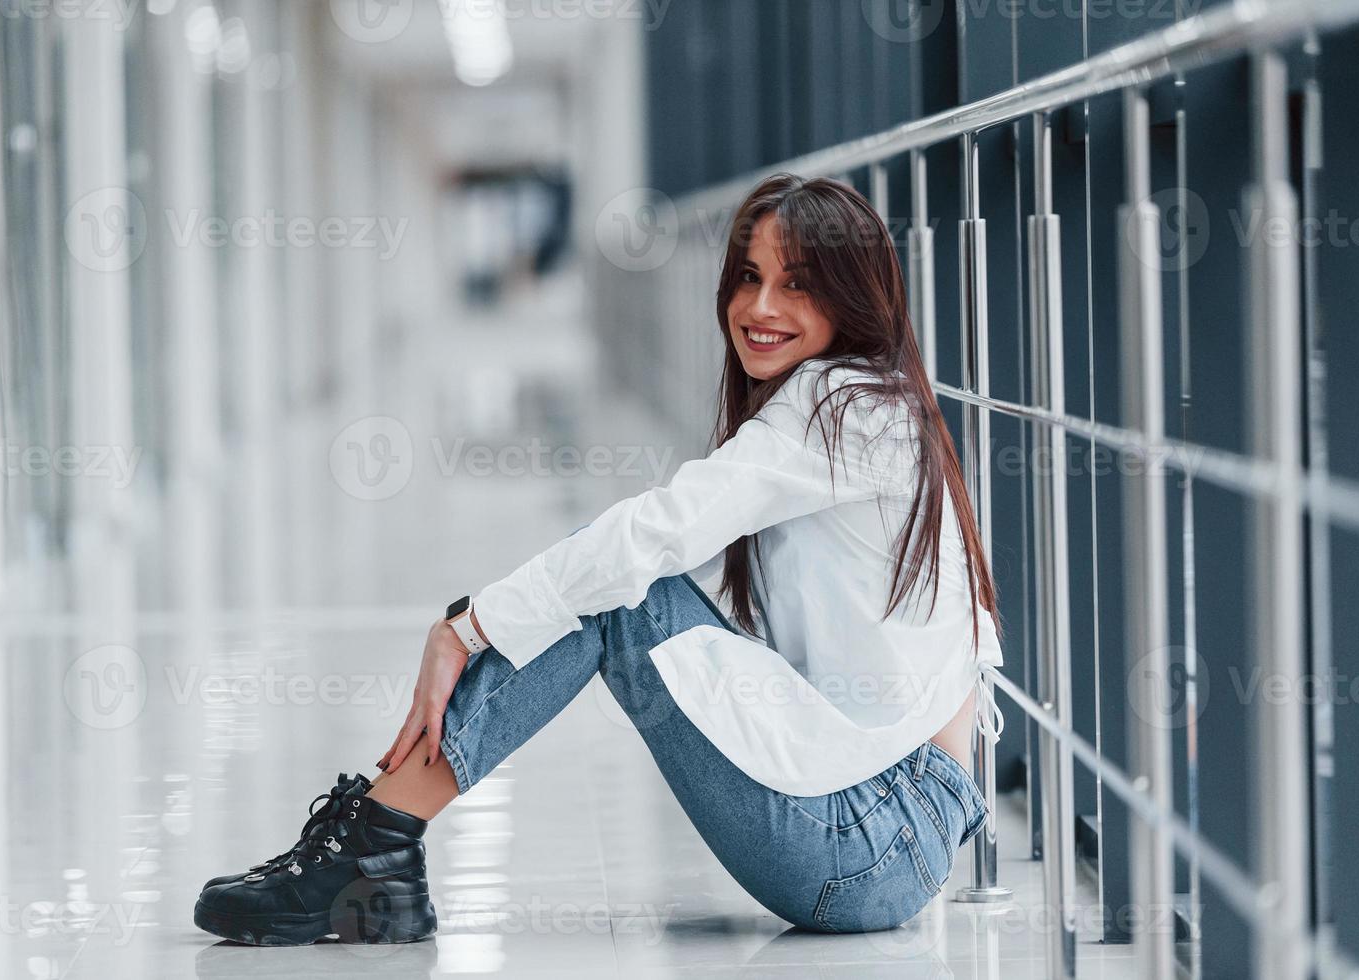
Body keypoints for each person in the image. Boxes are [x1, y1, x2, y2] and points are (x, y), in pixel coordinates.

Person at [193, 172, 1005, 946]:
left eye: (798, 284)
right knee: (602, 579)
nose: (759, 307)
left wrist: (467, 630)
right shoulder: (868, 400)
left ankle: (377, 840)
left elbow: (655, 537)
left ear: (854, 298)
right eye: (748, 276)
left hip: (878, 837)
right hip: (880, 824)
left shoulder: (846, 409)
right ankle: (377, 841)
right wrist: (487, 617)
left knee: (617, 587)